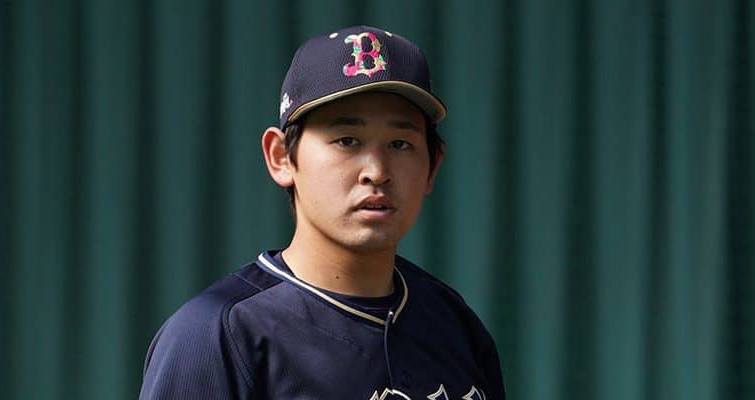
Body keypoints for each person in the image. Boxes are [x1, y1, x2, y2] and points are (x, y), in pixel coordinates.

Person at [139, 25, 505, 400]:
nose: (376, 171)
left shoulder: (454, 325)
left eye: (400, 144)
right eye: (347, 141)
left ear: (433, 165)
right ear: (281, 157)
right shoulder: (214, 336)